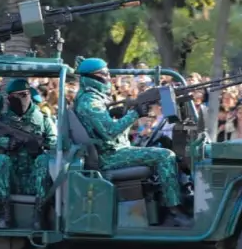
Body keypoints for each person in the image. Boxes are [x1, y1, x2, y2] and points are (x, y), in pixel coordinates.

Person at [73, 58, 191, 227]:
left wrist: (124, 112)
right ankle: (174, 212)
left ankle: (173, 201)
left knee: (161, 147)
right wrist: (135, 113)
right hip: (109, 156)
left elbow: (108, 129)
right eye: (105, 73)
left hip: (112, 150)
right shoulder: (90, 102)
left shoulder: (92, 98)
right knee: (165, 156)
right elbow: (109, 132)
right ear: (93, 77)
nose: (109, 77)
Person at [0, 79, 56, 229]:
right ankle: (4, 214)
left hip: (35, 179)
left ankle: (39, 215)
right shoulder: (1, 121)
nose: (22, 99)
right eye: (17, 96)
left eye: (25, 95)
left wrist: (42, 145)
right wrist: (3, 142)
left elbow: (55, 143)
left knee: (44, 160)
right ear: (9, 99)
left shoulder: (43, 120)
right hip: (9, 179)